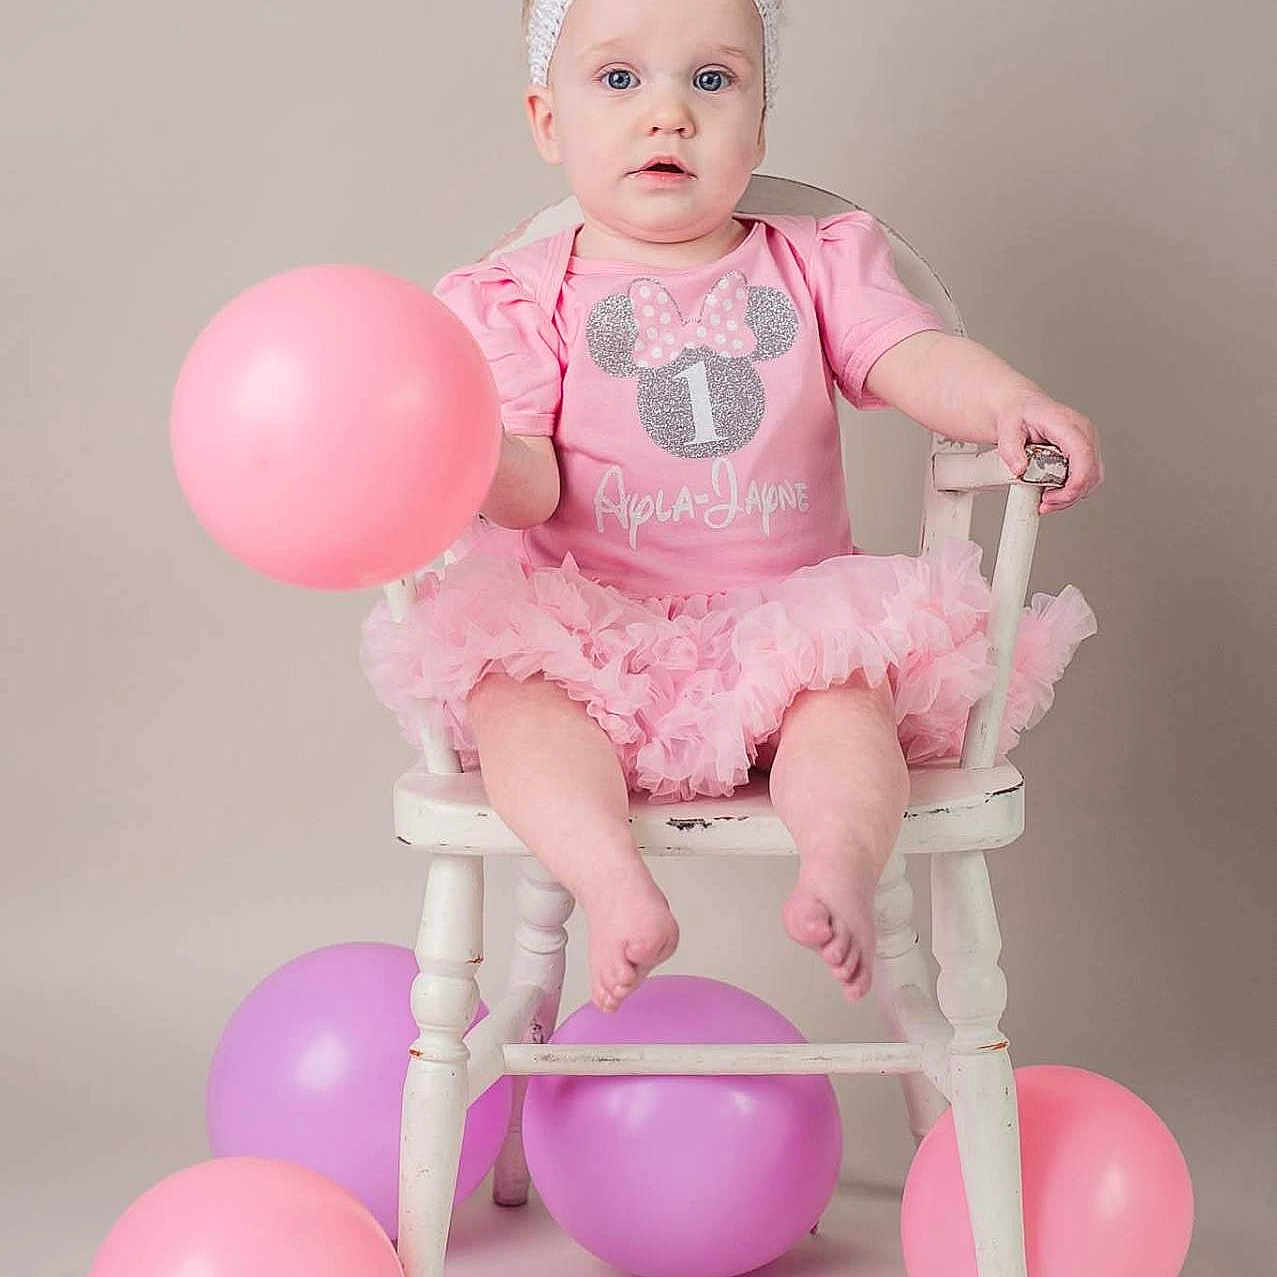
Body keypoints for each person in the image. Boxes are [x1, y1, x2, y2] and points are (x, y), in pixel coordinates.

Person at [361, 0, 1103, 1016]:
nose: (666, 114)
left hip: (782, 626)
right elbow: (528, 483)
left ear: (757, 123)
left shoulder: (814, 260)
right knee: (516, 704)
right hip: (591, 638)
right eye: (617, 80)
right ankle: (611, 878)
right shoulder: (519, 296)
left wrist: (1006, 400)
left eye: (710, 81)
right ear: (546, 120)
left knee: (846, 713)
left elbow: (912, 356)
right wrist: (471, 449)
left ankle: (837, 863)